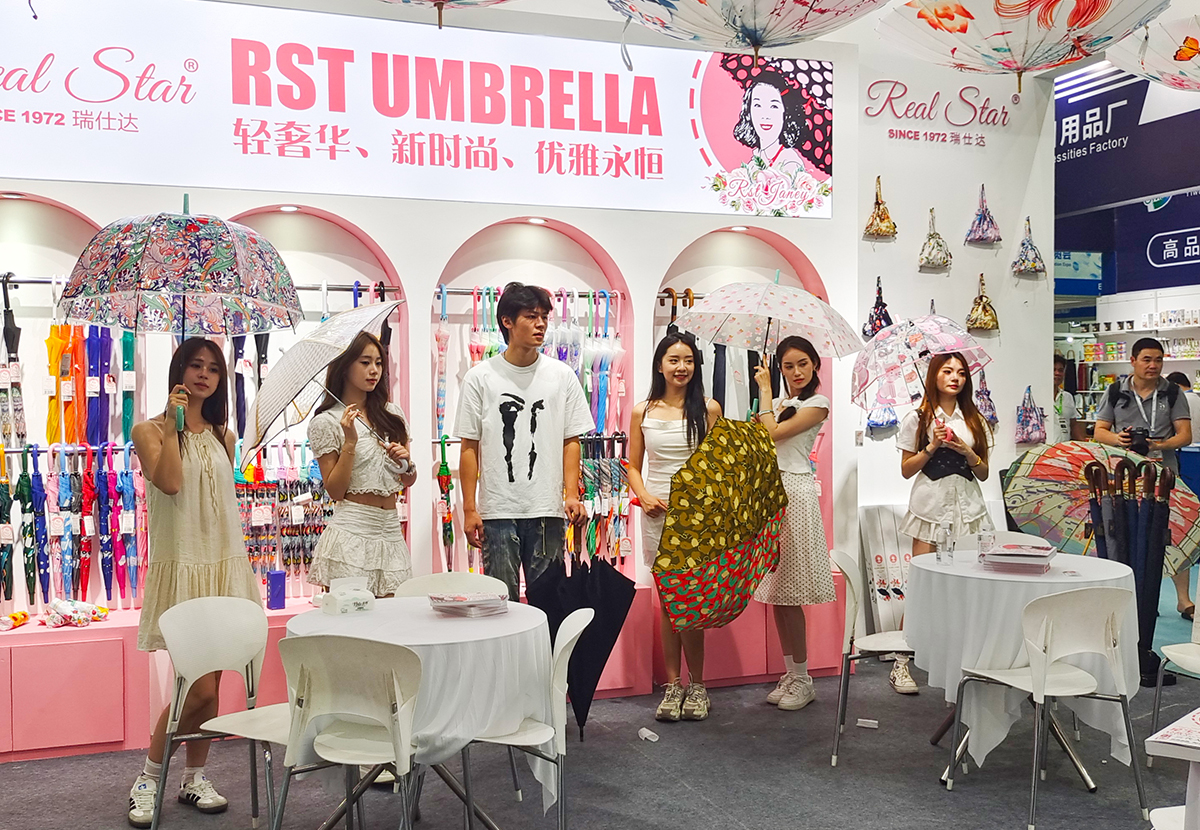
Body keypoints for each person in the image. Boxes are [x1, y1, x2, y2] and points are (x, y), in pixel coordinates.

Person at [127, 338, 262, 827]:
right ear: (179, 371)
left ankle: (193, 777)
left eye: (213, 368)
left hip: (224, 565)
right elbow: (169, 483)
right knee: (194, 687)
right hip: (183, 567)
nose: (204, 374)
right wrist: (173, 424)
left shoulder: (225, 436)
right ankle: (148, 778)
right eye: (195, 365)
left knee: (214, 683)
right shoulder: (148, 430)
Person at [454, 282, 593, 603]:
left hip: (547, 510)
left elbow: (571, 440)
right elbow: (469, 447)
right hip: (497, 511)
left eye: (544, 317)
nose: (541, 324)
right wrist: (469, 508)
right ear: (507, 321)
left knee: (548, 605)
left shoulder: (562, 376)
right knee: (500, 604)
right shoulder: (480, 377)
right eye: (531, 316)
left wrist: (572, 495)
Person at [627, 332, 722, 722]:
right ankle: (672, 686)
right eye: (674, 360)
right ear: (660, 365)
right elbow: (632, 466)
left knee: (692, 603)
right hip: (656, 514)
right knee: (667, 602)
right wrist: (644, 496)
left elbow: (719, 467)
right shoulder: (642, 411)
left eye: (688, 360)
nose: (682, 367)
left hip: (697, 516)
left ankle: (698, 686)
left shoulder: (709, 409)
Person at [895, 353, 994, 694]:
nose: (955, 378)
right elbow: (906, 469)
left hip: (968, 508)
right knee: (921, 585)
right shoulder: (918, 417)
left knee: (968, 586)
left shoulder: (976, 419)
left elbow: (984, 472)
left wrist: (966, 451)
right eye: (948, 371)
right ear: (934, 375)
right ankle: (901, 662)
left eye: (961, 373)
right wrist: (933, 446)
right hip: (930, 507)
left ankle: (961, 660)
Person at [753, 336, 837, 712]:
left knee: (790, 592)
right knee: (776, 592)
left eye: (802, 363)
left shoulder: (818, 403)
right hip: (771, 493)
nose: (796, 371)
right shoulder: (780, 405)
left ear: (815, 364)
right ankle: (791, 673)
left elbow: (773, 434)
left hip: (795, 494)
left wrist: (765, 390)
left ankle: (803, 677)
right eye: (788, 365)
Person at [307, 330, 416, 597]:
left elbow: (408, 480)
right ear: (345, 366)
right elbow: (335, 491)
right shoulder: (326, 422)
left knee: (395, 615)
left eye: (378, 363)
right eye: (365, 362)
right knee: (352, 618)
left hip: (391, 531)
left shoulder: (392, 414)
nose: (374, 370)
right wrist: (350, 442)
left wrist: (406, 462)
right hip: (351, 533)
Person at [1095, 341, 1192, 630]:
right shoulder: (1115, 391)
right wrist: (1118, 439)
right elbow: (1100, 431)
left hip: (1164, 473)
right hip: (1124, 474)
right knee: (1123, 530)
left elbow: (1185, 435)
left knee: (1174, 533)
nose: (1153, 365)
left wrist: (1157, 444)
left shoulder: (1172, 392)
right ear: (1133, 360)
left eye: (1158, 360)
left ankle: (1184, 600)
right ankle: (1130, 592)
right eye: (1147, 359)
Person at [732, 70, 828, 181]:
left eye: (774, 106)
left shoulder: (791, 164)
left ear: (786, 112)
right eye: (757, 105)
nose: (765, 115)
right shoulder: (755, 160)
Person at [1050, 353, 1085, 443]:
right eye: (1053, 370)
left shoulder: (1067, 397)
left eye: (1060, 370)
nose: (1057, 373)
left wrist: (1084, 445)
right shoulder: (1039, 397)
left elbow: (1073, 425)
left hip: (1064, 448)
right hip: (1045, 448)